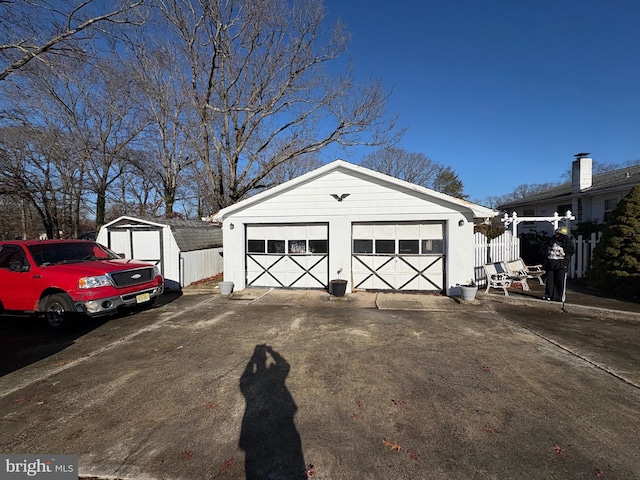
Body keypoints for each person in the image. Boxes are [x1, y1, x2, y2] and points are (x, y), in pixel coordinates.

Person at [542, 226, 575, 302]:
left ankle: (558, 297)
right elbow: (546, 249)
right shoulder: (551, 240)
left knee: (560, 280)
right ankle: (548, 295)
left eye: (559, 234)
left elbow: (571, 251)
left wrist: (564, 261)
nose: (556, 235)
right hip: (550, 262)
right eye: (556, 233)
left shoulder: (567, 242)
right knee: (550, 280)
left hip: (561, 263)